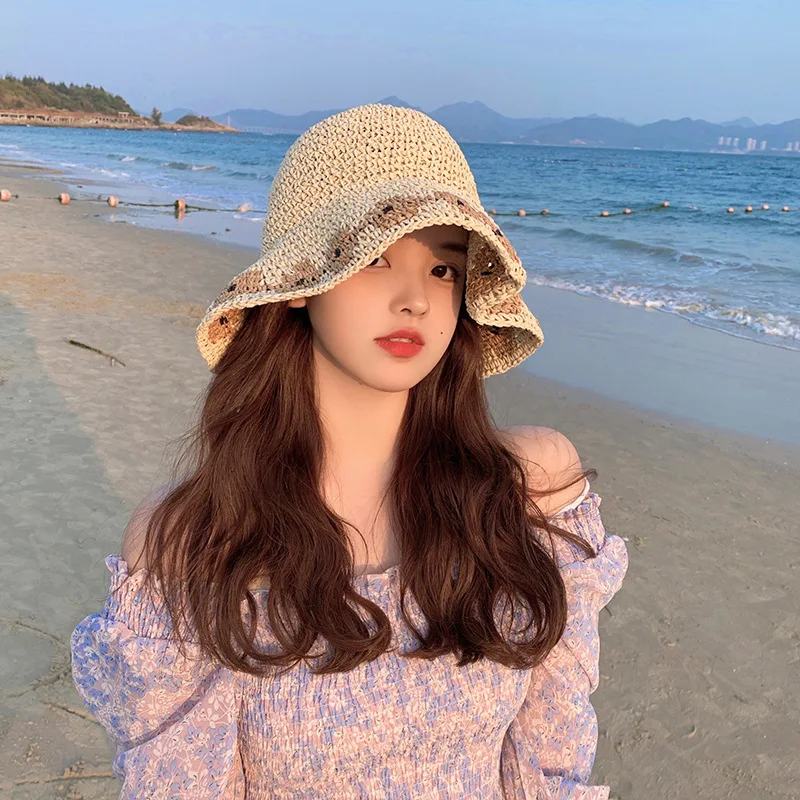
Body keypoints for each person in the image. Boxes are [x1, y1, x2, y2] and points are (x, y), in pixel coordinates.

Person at [70, 104, 628, 799]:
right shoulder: (197, 539)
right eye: (373, 258)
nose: (415, 300)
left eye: (444, 269)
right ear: (297, 285)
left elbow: (553, 760)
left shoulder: (529, 489)